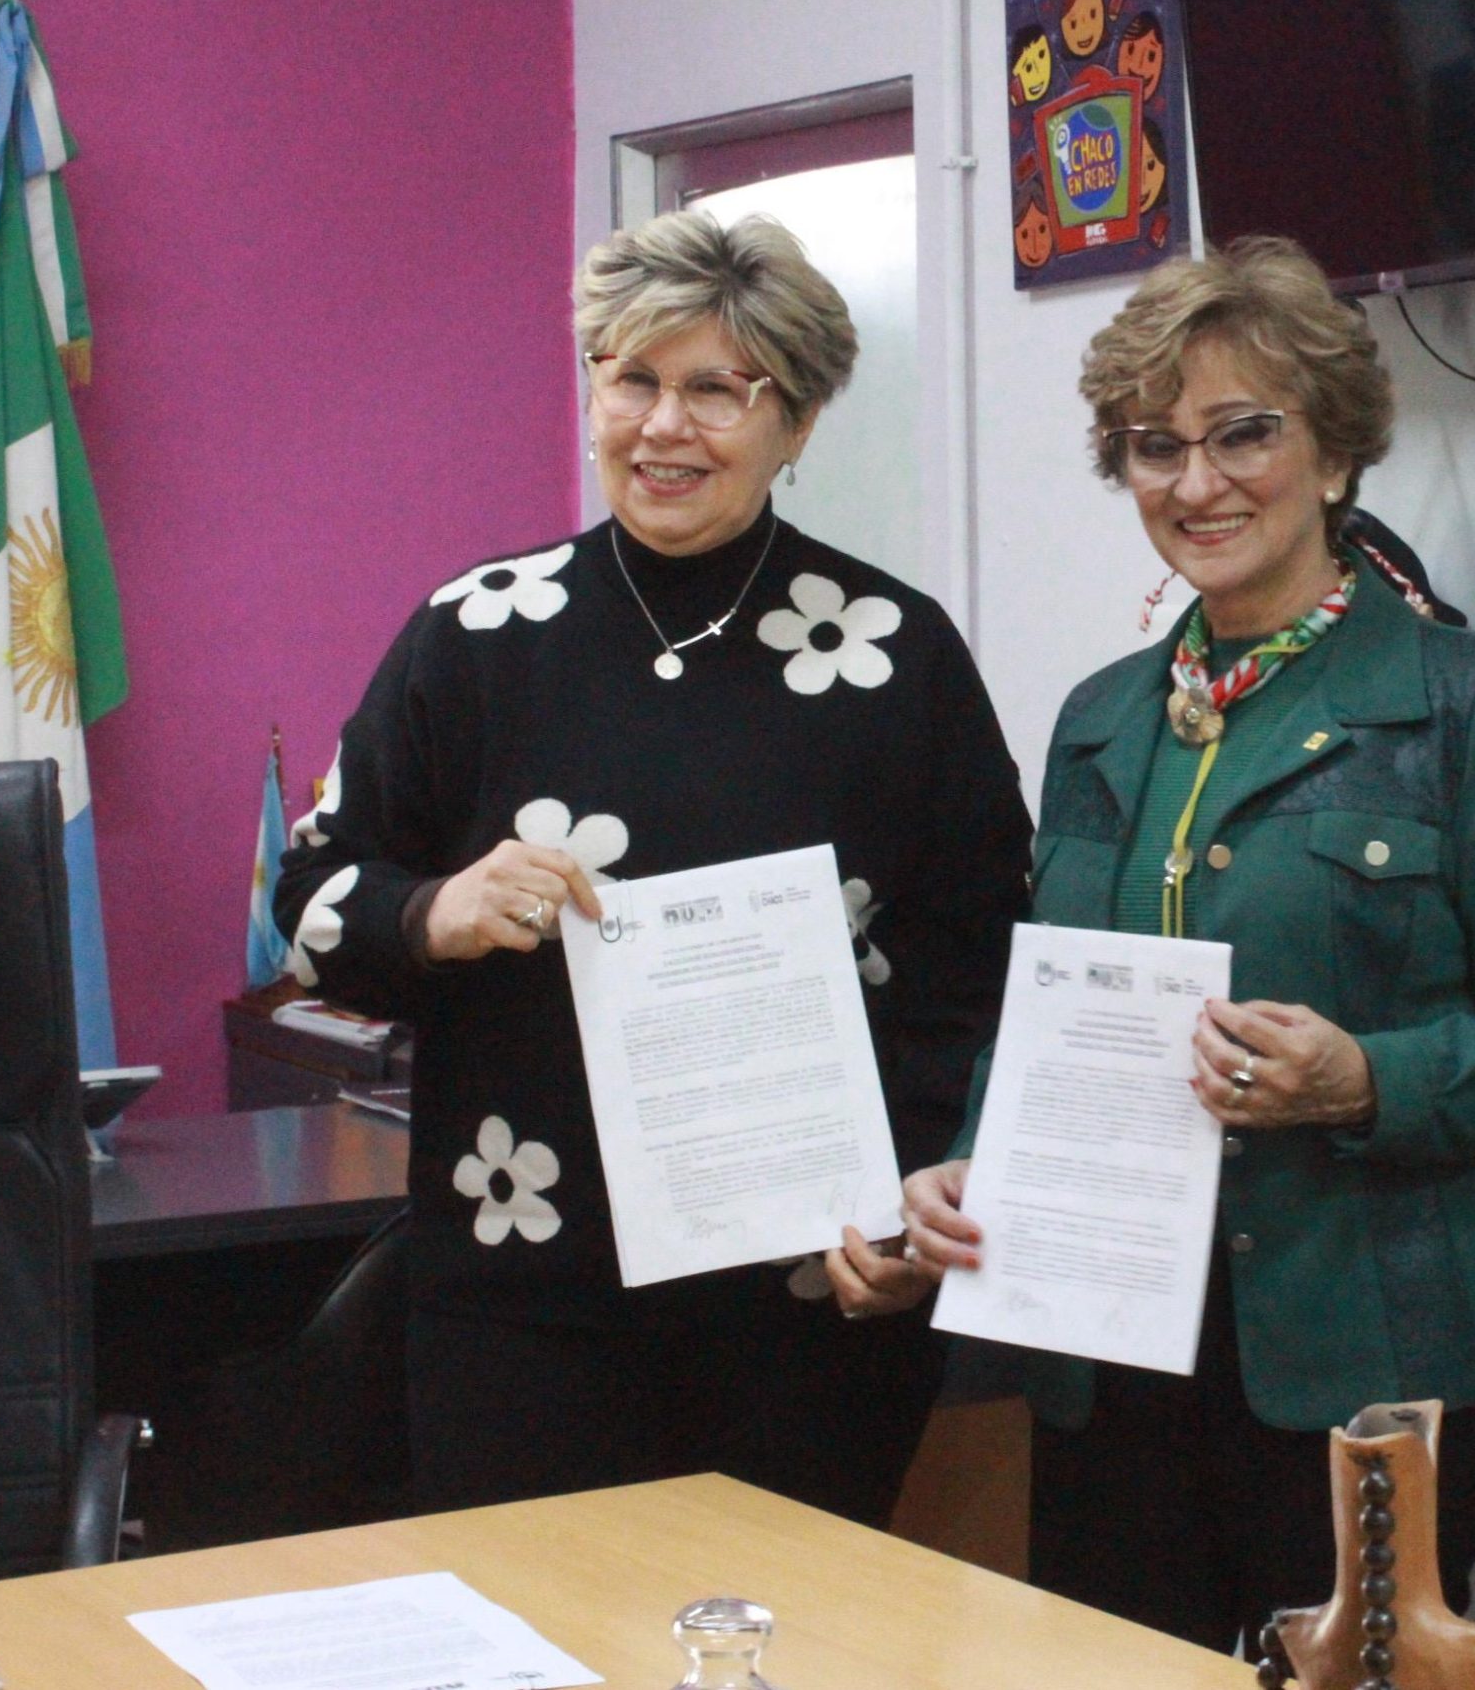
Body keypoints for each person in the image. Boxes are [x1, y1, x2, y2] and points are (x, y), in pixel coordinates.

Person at [879, 236, 1475, 1653]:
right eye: (1154, 446)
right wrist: (975, 1167)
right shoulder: (1103, 718)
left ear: (1335, 451)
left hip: (1388, 1358)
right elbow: (1052, 1015)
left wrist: (1366, 1078)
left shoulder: (1472, 702)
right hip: (1116, 1354)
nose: (1197, 483)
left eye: (1244, 433)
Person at [274, 209, 1031, 1521]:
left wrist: (921, 1193)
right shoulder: (478, 632)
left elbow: (987, 967)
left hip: (811, 1307)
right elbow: (311, 905)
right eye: (632, 379)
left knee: (791, 1623)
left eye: (716, 390)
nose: (663, 426)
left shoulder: (894, 656)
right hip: (520, 1300)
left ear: (796, 422)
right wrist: (438, 909)